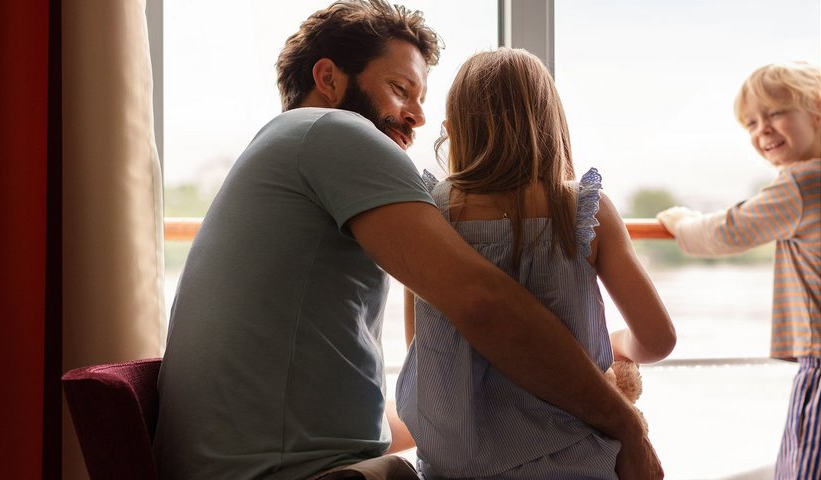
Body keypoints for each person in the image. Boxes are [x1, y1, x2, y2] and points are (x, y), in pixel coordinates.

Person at [152, 1, 661, 479]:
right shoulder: (335, 132)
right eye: (400, 89)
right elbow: (482, 303)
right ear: (328, 78)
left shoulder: (287, 144)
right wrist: (624, 423)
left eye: (421, 99)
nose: (417, 116)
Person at [394, 48, 675, 480]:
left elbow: (423, 350)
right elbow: (658, 339)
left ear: (453, 130)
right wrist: (617, 347)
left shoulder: (430, 215)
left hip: (457, 468)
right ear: (552, 125)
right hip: (579, 460)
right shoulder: (585, 209)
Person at [655, 62, 821, 480]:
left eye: (776, 113)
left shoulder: (802, 184)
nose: (762, 129)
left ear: (819, 111)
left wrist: (680, 223)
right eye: (751, 122)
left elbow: (727, 231)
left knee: (808, 463)